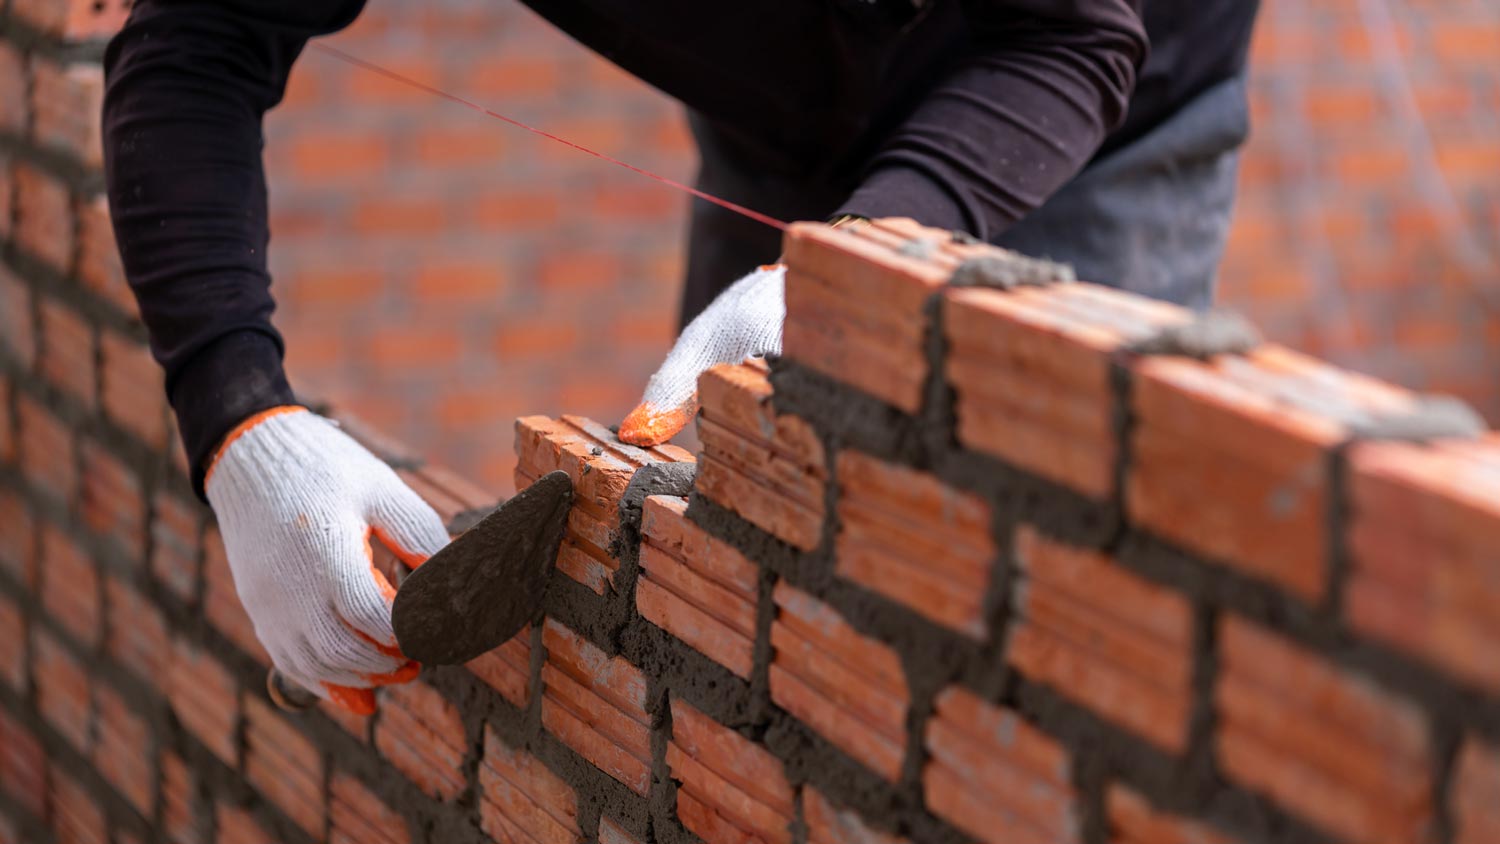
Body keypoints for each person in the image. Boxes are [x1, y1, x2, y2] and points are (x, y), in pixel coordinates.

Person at [102, 0, 1260, 713]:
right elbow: (197, 39)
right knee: (736, 590)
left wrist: (860, 266)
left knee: (1044, 634)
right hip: (785, 113)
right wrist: (238, 419)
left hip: (1081, 114)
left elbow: (1067, 35)